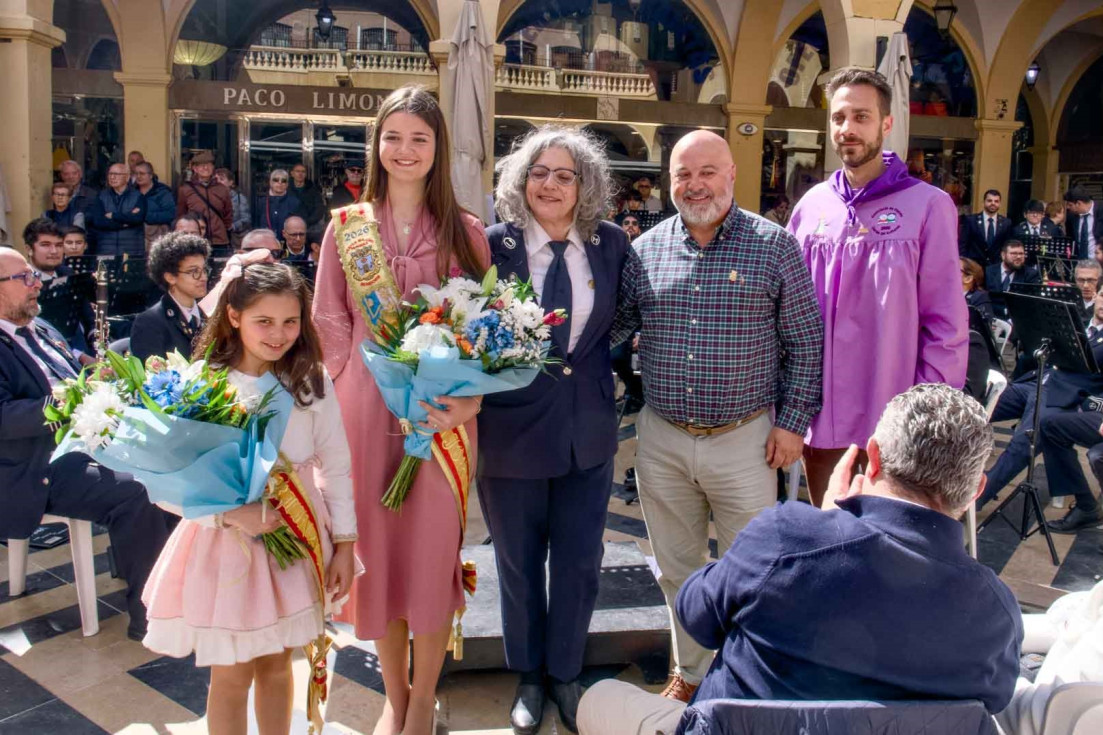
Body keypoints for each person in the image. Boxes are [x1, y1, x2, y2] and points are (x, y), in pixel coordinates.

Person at [577, 384, 1024, 733]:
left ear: (871, 458)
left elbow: (696, 615)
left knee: (598, 699)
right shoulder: (995, 609)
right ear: (975, 490)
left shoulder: (787, 536)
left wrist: (825, 524)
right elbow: (993, 701)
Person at [613, 129, 822, 702]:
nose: (694, 184)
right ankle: (693, 671)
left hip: (746, 439)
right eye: (683, 174)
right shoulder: (644, 250)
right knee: (676, 569)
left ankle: (748, 678)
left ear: (731, 174)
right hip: (663, 437)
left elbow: (805, 342)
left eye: (707, 172)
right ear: (669, 181)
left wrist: (793, 423)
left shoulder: (775, 246)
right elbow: (617, 327)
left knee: (752, 571)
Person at [311, 85, 490, 735]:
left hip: (439, 419)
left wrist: (466, 396)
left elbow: (484, 327)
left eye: (419, 137)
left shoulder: (467, 232)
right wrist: (336, 402)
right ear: (376, 143)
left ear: (438, 147)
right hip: (363, 412)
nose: (405, 149)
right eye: (394, 137)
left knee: (432, 554)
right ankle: (394, 692)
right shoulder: (345, 228)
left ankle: (423, 698)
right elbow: (327, 323)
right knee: (378, 559)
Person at [141, 262, 357, 735]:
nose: (279, 334)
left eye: (290, 321)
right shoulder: (202, 382)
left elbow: (335, 465)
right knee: (232, 672)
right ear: (234, 316)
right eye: (264, 321)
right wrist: (231, 515)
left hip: (294, 537)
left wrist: (344, 543)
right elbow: (167, 479)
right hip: (227, 549)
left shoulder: (310, 379)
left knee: (279, 666)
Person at [479, 127, 629, 734]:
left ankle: (566, 672)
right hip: (510, 432)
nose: (550, 184)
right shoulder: (492, 246)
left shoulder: (612, 243)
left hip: (588, 432)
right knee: (517, 562)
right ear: (521, 181)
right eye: (539, 172)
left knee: (578, 562)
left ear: (584, 185)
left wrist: (594, 373)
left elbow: (625, 318)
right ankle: (529, 676)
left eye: (565, 175)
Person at [787, 67, 966, 506]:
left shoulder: (928, 207)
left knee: (892, 553)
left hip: (893, 427)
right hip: (822, 420)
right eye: (839, 117)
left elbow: (946, 325)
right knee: (832, 540)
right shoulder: (812, 208)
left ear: (887, 124)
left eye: (862, 117)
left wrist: (924, 422)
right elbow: (784, 311)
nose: (848, 129)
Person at [0, 247, 170, 641]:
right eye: (24, 278)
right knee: (137, 491)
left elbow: (74, 374)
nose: (36, 283)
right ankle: (150, 613)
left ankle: (162, 577)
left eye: (34, 276)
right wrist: (61, 404)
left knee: (165, 464)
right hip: (32, 465)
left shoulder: (39, 327)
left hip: (78, 446)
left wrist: (100, 376)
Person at [977, 276, 1103, 510]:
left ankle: (977, 498)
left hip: (1063, 395)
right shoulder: (1077, 320)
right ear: (1095, 296)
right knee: (971, 411)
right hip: (1034, 381)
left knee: (1025, 439)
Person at [129, 232, 210, 364]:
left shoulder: (208, 317)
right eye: (194, 271)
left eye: (204, 270)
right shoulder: (150, 322)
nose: (204, 277)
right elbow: (150, 378)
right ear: (170, 277)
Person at [23, 219, 95, 355]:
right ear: (29, 249)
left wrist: (97, 342)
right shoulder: (23, 282)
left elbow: (88, 317)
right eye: (45, 245)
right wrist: (79, 356)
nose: (54, 251)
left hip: (82, 346)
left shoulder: (69, 274)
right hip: (49, 353)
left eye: (59, 245)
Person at [176, 151, 233, 255]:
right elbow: (182, 214)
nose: (205, 168)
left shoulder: (222, 189)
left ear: (213, 168)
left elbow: (228, 214)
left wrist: (222, 228)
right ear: (195, 169)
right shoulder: (185, 189)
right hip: (195, 239)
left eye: (208, 165)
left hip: (219, 240)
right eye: (201, 165)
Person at [90, 163, 147, 257]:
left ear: (127, 177)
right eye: (110, 174)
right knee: (104, 272)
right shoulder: (101, 196)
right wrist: (125, 223)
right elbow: (98, 221)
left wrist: (113, 216)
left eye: (116, 174)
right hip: (106, 249)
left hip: (131, 249)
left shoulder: (138, 196)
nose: (112, 177)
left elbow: (137, 219)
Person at [986, 239, 1041, 320]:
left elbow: (1030, 303)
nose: (1018, 257)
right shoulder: (989, 271)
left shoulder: (1031, 274)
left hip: (1017, 318)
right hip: (992, 316)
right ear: (1003, 255)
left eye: (1021, 254)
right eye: (1014, 253)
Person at [960, 188, 1013, 266]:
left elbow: (1007, 246)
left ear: (1000, 204)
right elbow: (963, 245)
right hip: (974, 266)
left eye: (996, 201)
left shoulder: (1006, 223)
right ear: (983, 202)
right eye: (989, 201)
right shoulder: (971, 221)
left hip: (996, 267)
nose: (993, 203)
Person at [134, 161, 176, 251]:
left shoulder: (162, 192)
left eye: (142, 173)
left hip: (157, 237)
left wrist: (145, 215)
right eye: (136, 173)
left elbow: (170, 214)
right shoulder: (131, 192)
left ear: (151, 175)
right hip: (135, 238)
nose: (138, 176)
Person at [253, 169, 303, 237]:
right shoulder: (260, 202)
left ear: (287, 184)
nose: (280, 183)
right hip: (266, 241)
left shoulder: (295, 203)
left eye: (284, 181)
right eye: (276, 180)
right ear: (270, 182)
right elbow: (255, 226)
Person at [214, 167, 250, 250]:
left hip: (234, 240)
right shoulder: (210, 198)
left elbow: (246, 219)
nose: (218, 182)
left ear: (231, 182)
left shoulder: (239, 198)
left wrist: (232, 226)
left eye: (222, 179)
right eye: (216, 179)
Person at [289, 163, 326, 236]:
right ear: (292, 173)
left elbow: (319, 208)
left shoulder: (313, 190)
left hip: (311, 228)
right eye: (297, 171)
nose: (300, 174)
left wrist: (307, 222)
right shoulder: (286, 189)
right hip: (291, 227)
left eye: (303, 172)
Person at [1065, 186, 1101, 261]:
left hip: (1099, 262)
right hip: (1079, 262)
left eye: (1070, 205)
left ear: (1079, 203)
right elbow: (1070, 239)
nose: (1068, 207)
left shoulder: (1101, 211)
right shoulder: (1071, 217)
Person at [961, 257, 993, 321]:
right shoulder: (943, 294)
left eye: (954, 269)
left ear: (968, 279)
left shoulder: (980, 298)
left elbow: (980, 327)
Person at [1074, 260, 1102, 324]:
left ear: (1099, 280)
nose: (1085, 285)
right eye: (1081, 280)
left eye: (1091, 280)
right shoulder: (1069, 300)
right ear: (1075, 280)